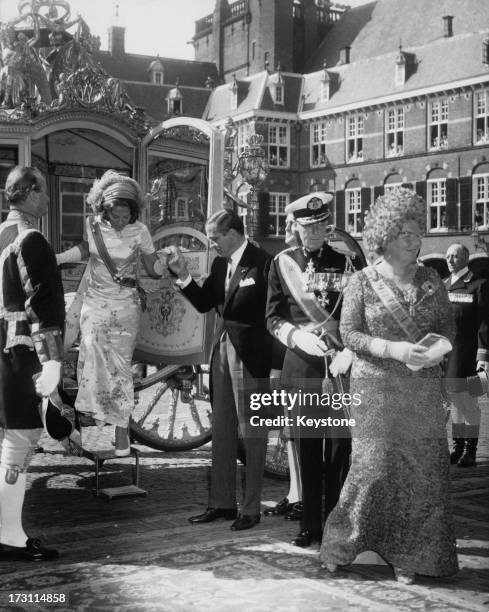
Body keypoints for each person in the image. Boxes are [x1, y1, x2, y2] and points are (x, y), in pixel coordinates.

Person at [320, 187, 458, 584]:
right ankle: (341, 545)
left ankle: (411, 556)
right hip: (377, 390)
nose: (415, 241)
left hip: (422, 391)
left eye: (418, 233)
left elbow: (448, 328)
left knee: (422, 475)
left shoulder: (433, 278)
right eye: (406, 234)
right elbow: (349, 333)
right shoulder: (363, 282)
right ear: (386, 236)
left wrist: (436, 351)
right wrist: (392, 348)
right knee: (372, 471)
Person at [167, 209, 277, 531]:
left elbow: (272, 315)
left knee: (253, 434)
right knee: (223, 431)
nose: (213, 245)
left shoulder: (264, 262)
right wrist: (182, 275)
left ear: (234, 233)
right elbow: (205, 303)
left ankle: (252, 509)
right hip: (222, 351)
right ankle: (222, 504)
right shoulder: (219, 264)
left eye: (215, 238)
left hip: (251, 356)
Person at [266, 192, 360, 548]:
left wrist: (349, 348)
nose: (315, 232)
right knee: (307, 446)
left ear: (328, 226)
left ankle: (335, 521)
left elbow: (359, 314)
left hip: (339, 366)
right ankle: (309, 526)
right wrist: (294, 337)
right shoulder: (282, 263)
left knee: (338, 449)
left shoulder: (348, 262)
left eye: (321, 225)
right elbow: (272, 316)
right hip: (303, 364)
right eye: (308, 226)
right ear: (295, 227)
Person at [56, 171, 162, 456]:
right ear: (104, 209)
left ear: (133, 212)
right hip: (95, 302)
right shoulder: (92, 226)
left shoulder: (140, 231)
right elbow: (85, 250)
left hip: (126, 304)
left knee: (121, 366)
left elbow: (153, 268)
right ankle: (95, 409)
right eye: (115, 215)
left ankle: (121, 430)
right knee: (91, 350)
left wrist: (171, 264)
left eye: (126, 215)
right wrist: (58, 258)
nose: (120, 221)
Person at [0, 166, 65, 561]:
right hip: (20, 352)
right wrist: (54, 361)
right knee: (19, 444)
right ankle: (9, 534)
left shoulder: (1, 235)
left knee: (6, 443)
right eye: (44, 190)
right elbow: (42, 306)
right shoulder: (32, 239)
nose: (48, 198)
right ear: (32, 193)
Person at [265, 213, 302, 522]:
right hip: (286, 358)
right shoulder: (280, 263)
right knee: (289, 433)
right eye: (289, 225)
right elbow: (273, 316)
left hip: (310, 360)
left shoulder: (308, 266)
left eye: (293, 226)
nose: (288, 231)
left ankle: (302, 494)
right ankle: (294, 492)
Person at [445, 243, 489, 467]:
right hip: (447, 356)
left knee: (469, 404)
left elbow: (485, 322)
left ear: (465, 258)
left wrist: (483, 356)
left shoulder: (479, 286)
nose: (449, 259)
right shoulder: (444, 286)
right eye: (447, 256)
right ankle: (457, 447)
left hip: (468, 354)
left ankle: (470, 452)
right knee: (455, 403)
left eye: (454, 256)